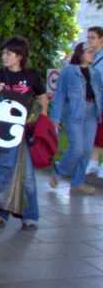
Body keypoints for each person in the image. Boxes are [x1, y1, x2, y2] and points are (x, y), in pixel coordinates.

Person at [0, 36, 48, 230]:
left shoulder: (32, 76)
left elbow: (42, 97)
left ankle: (30, 216)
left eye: (8, 53)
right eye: (3, 53)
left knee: (27, 176)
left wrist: (42, 118)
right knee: (0, 171)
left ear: (19, 56)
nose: (4, 56)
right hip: (0, 134)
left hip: (23, 134)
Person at [50, 43, 102, 194]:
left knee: (86, 151)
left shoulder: (95, 73)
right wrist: (55, 118)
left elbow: (100, 94)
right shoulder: (68, 72)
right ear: (80, 53)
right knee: (77, 149)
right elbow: (60, 95)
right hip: (74, 114)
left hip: (92, 113)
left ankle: (78, 182)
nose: (92, 54)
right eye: (89, 51)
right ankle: (59, 171)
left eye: (93, 52)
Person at [86, 26, 103, 178]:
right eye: (88, 37)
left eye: (93, 37)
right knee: (95, 132)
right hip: (94, 101)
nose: (89, 40)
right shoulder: (90, 55)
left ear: (101, 39)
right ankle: (93, 162)